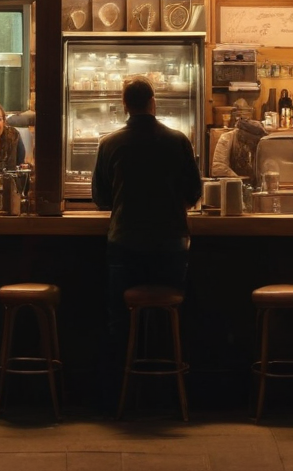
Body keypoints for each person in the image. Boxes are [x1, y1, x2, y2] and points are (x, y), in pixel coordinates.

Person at [92, 76, 202, 404]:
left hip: (124, 242)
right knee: (174, 318)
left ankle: (118, 398)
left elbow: (100, 198)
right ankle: (171, 396)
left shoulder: (109, 143)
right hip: (171, 245)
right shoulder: (178, 140)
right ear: (154, 102)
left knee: (119, 320)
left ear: (124, 105)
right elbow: (194, 193)